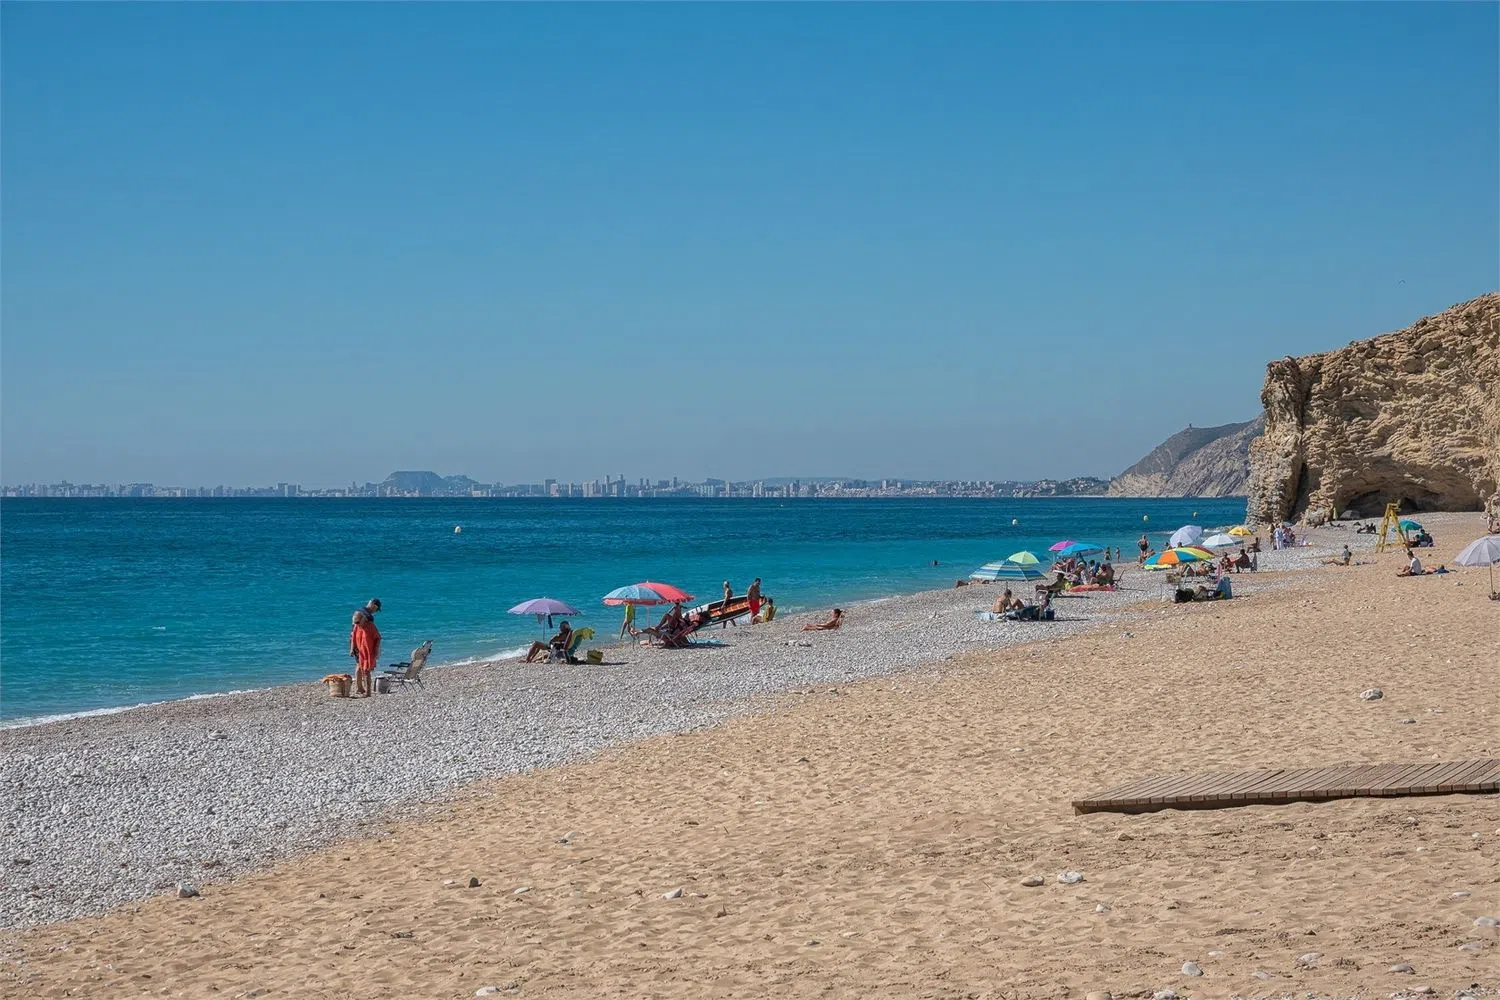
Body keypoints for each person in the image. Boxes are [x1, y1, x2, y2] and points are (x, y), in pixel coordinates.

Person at [350, 610, 381, 697]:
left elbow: (378, 638)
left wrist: (376, 649)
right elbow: (353, 638)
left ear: (363, 619)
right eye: (355, 623)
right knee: (362, 670)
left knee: (366, 671)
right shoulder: (356, 627)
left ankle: (368, 692)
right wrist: (352, 649)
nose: (356, 624)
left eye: (358, 622)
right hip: (361, 652)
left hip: (369, 652)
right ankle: (363, 689)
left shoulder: (370, 626)